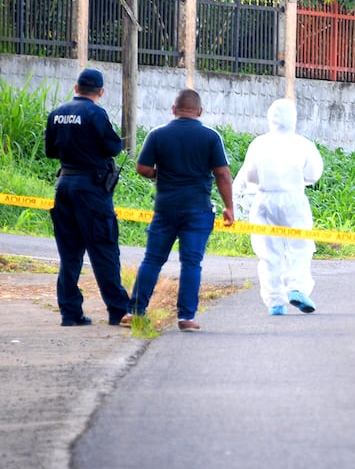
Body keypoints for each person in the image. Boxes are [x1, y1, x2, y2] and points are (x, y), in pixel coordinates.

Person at [128, 89, 235, 331]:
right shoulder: (210, 137)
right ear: (199, 111)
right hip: (198, 210)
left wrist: (161, 175)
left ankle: (134, 311)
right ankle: (186, 317)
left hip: (165, 208)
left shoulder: (158, 135)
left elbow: (143, 168)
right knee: (191, 263)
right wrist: (229, 207)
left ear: (174, 109)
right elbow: (222, 174)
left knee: (153, 260)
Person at [44, 68, 131, 327]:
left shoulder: (56, 113)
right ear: (100, 92)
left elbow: (50, 151)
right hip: (91, 190)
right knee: (103, 249)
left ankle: (70, 313)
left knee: (69, 254)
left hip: (64, 185)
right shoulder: (96, 113)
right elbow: (114, 146)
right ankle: (118, 311)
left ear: (76, 87)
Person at [232, 99, 325, 316]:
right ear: (293, 118)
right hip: (293, 199)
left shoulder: (259, 143)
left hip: (263, 201)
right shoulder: (303, 144)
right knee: (299, 247)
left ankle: (275, 302)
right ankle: (296, 288)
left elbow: (249, 176)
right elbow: (313, 174)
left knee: (268, 252)